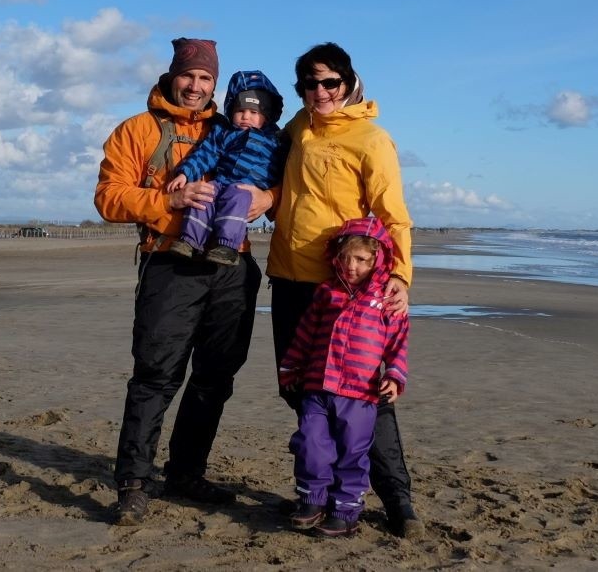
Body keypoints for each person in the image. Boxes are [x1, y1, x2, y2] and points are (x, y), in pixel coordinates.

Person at [241, 41, 423, 538]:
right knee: (300, 389)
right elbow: (283, 185)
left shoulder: (372, 139)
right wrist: (264, 196)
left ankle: (397, 500)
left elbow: (392, 215)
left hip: (346, 288)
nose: (319, 92)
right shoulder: (298, 127)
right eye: (309, 84)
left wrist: (400, 278)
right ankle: (317, 493)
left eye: (329, 83)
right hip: (290, 279)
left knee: (363, 398)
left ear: (347, 83)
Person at [94, 38, 269, 526]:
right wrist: (169, 201)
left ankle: (186, 473)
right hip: (168, 263)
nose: (195, 86)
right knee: (156, 375)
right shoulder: (136, 130)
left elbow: (279, 169)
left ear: (217, 84)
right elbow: (108, 198)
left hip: (232, 267)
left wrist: (267, 198)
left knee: (215, 378)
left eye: (205, 78)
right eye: (188, 76)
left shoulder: (235, 125)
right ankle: (133, 481)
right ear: (172, 76)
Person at [279, 217, 409, 538]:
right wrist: (290, 369)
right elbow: (304, 336)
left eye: (361, 259)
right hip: (317, 387)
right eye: (346, 258)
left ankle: (345, 511)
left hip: (360, 394)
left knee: (353, 453)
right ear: (336, 257)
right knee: (311, 444)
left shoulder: (385, 299)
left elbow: (397, 343)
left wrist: (394, 374)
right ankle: (312, 500)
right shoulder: (327, 294)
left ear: (377, 259)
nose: (352, 266)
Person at [166, 69, 284, 266]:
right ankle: (189, 241)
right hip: (221, 181)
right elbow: (206, 153)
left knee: (238, 199)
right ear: (231, 111)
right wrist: (185, 173)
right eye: (240, 111)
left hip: (247, 187)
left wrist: (270, 194)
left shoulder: (274, 140)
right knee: (203, 196)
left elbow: (284, 170)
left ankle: (227, 246)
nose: (246, 117)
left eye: (254, 112)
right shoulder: (225, 132)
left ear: (266, 116)